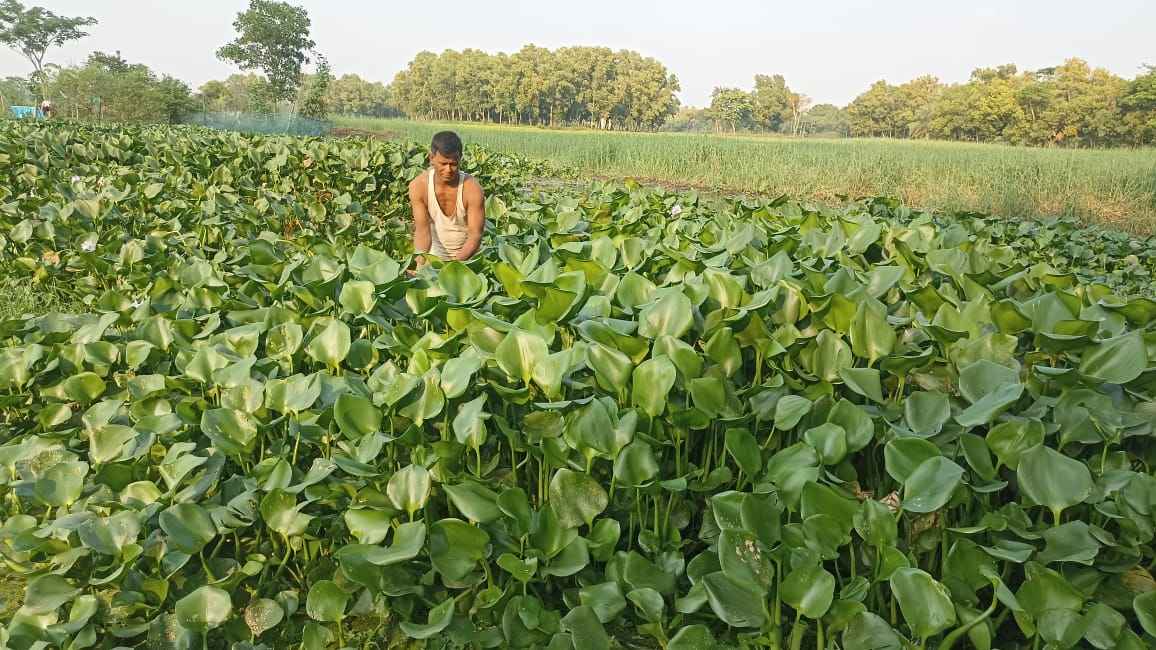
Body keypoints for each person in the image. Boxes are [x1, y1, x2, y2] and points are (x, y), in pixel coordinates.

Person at [408, 131, 485, 268]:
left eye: (453, 164)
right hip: (434, 259)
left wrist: (453, 266)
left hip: (467, 259)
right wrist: (419, 264)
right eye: (443, 163)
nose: (448, 169)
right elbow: (422, 231)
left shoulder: (472, 188)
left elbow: (475, 235)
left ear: (460, 158)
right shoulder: (419, 186)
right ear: (431, 158)